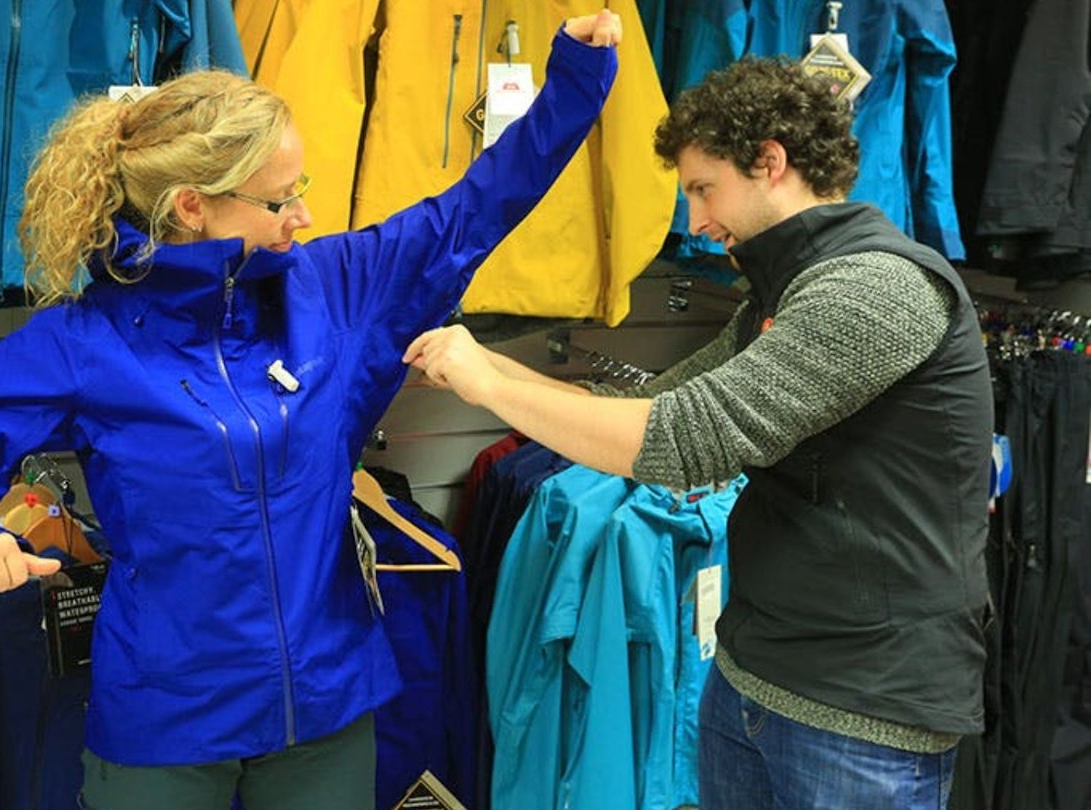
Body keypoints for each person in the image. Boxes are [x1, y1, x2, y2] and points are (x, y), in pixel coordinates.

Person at [0, 11, 622, 810]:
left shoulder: (337, 287)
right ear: (192, 206)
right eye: (280, 200)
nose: (305, 218)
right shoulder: (85, 343)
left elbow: (478, 206)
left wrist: (574, 78)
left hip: (325, 714)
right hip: (165, 730)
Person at [404, 56, 993, 810]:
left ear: (770, 163)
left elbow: (685, 441)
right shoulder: (781, 298)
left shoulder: (876, 289)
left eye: (703, 188)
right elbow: (657, 400)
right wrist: (486, 367)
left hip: (862, 712)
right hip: (753, 676)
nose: (697, 221)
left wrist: (486, 384)